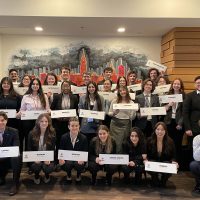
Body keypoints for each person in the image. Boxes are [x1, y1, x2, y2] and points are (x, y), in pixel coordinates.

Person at [19, 78, 50, 150]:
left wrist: (51, 112)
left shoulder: (44, 96)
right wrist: (17, 114)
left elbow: (47, 109)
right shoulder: (25, 97)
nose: (35, 85)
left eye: (37, 84)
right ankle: (29, 159)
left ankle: (40, 156)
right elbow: (22, 110)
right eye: (33, 84)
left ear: (39, 86)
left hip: (41, 122)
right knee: (28, 139)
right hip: (28, 122)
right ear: (30, 85)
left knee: (40, 139)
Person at [146, 122, 178, 187]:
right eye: (158, 129)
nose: (160, 132)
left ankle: (163, 181)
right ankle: (155, 180)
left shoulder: (170, 141)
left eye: (162, 130)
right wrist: (146, 160)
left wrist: (174, 162)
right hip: (153, 162)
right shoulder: (149, 140)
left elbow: (173, 156)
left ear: (165, 131)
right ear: (155, 130)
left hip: (165, 163)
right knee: (151, 163)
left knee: (168, 164)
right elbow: (146, 154)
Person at [51, 81, 78, 154]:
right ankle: (58, 159)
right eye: (64, 86)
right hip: (58, 124)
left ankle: (67, 158)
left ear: (70, 87)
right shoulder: (56, 96)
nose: (65, 88)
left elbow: (76, 111)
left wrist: (72, 118)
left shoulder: (74, 97)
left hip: (70, 125)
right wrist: (56, 117)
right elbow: (52, 109)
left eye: (67, 86)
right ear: (61, 88)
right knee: (59, 142)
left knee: (69, 141)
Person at [27, 113, 56, 184]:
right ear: (38, 122)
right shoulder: (31, 133)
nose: (44, 123)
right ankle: (36, 175)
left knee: (48, 167)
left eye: (46, 121)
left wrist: (49, 159)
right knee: (36, 166)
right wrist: (34, 159)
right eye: (42, 121)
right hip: (35, 158)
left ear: (48, 123)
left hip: (47, 158)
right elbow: (29, 149)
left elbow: (53, 149)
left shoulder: (52, 133)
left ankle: (47, 175)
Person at [59, 117, 88, 183]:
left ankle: (78, 174)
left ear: (79, 126)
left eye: (76, 126)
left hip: (79, 159)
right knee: (68, 163)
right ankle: (68, 174)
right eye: (72, 126)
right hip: (68, 159)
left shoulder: (84, 138)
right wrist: (61, 158)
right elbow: (61, 149)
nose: (74, 128)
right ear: (69, 127)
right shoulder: (64, 137)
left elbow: (85, 151)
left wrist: (83, 159)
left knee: (79, 164)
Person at [164, 78, 185, 168]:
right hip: (168, 122)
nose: (176, 85)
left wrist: (180, 123)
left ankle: (176, 163)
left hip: (178, 123)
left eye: (178, 84)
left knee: (177, 143)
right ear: (172, 85)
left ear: (181, 86)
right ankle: (168, 162)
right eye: (175, 84)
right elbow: (163, 109)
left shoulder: (184, 96)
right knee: (168, 142)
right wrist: (169, 105)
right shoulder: (167, 95)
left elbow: (185, 112)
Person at [109, 86, 136, 153]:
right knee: (115, 142)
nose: (122, 92)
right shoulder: (114, 101)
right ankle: (114, 158)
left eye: (124, 90)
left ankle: (123, 158)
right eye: (120, 91)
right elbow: (109, 113)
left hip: (126, 124)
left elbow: (133, 117)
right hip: (115, 123)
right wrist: (114, 113)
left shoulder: (131, 103)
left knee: (124, 142)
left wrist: (129, 114)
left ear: (127, 91)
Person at [0, 111, 21, 196]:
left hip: (9, 159)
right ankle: (1, 177)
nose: (0, 122)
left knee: (16, 156)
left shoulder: (14, 131)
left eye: (2, 120)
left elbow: (16, 148)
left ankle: (15, 183)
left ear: (6, 121)